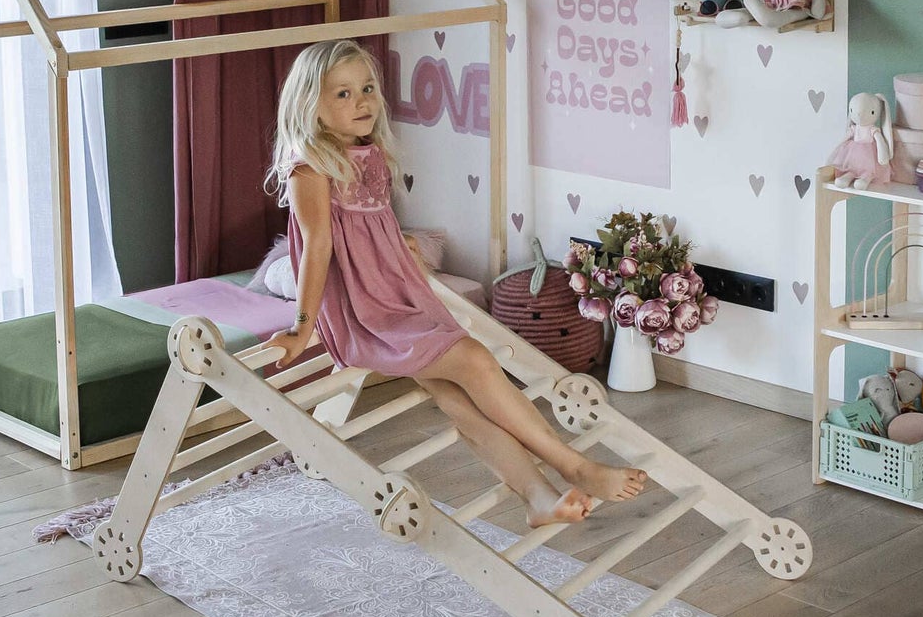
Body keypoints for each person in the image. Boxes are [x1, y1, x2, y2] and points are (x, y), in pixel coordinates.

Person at [262, 39, 646, 527]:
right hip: (367, 310)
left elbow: (362, 225)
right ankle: (574, 465)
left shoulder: (368, 151)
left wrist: (397, 244)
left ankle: (539, 498)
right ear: (309, 106)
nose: (361, 101)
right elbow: (318, 246)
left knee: (458, 399)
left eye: (366, 88)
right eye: (341, 94)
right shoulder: (309, 167)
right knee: (474, 360)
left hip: (400, 290)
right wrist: (301, 327)